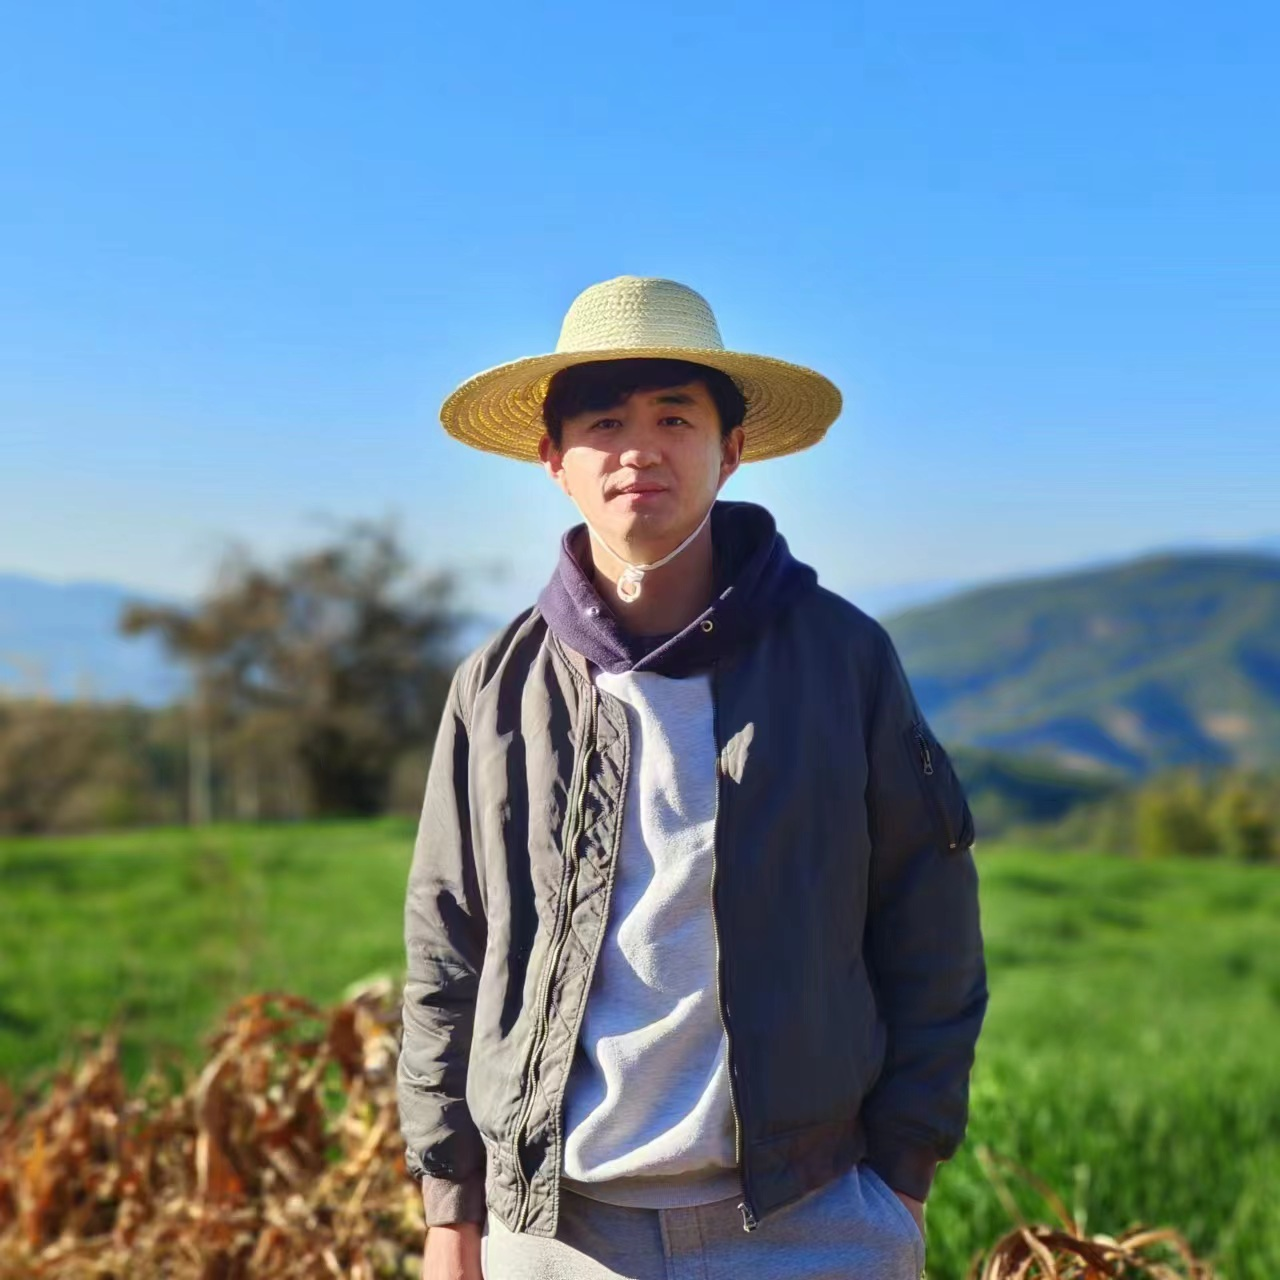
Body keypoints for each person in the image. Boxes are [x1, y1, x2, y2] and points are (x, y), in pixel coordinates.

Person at [397, 275, 987, 1280]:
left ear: (731, 449)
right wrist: (452, 1214)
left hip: (810, 1221)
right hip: (553, 1231)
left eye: (674, 417)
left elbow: (926, 916)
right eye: (604, 421)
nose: (640, 447)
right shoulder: (496, 689)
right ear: (553, 460)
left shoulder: (841, 658)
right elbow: (447, 951)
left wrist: (900, 1179)